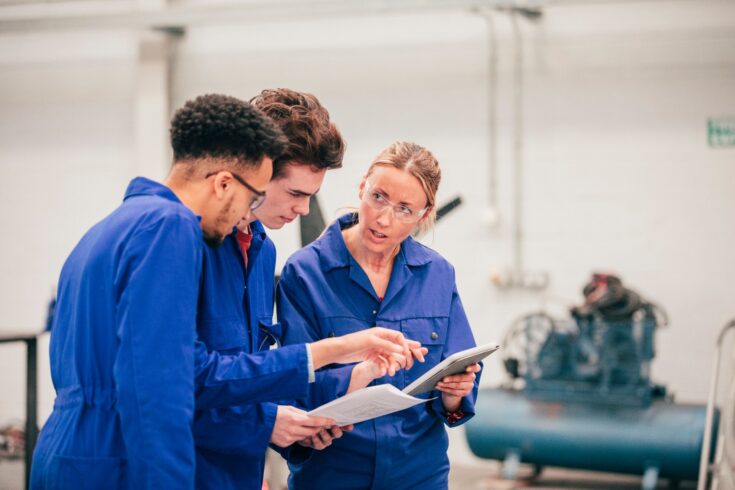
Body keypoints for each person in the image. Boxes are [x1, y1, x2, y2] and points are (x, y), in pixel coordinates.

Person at [30, 94, 414, 490]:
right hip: (120, 461)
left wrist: (257, 442)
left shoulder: (118, 227)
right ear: (228, 180)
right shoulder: (174, 228)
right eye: (260, 193)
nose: (253, 209)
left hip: (89, 457)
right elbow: (166, 389)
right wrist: (332, 353)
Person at [193, 89, 420, 490]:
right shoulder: (191, 246)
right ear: (257, 172)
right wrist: (264, 422)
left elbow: (250, 375)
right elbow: (184, 383)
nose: (302, 210)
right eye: (295, 193)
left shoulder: (262, 254)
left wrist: (279, 426)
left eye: (310, 197)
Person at [278, 141, 482, 490]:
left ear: (424, 213)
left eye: (405, 209)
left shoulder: (437, 274)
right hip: (334, 474)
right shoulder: (306, 272)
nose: (384, 219)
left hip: (419, 474)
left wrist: (455, 392)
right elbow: (292, 383)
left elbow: (458, 383)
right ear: (362, 187)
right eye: (378, 197)